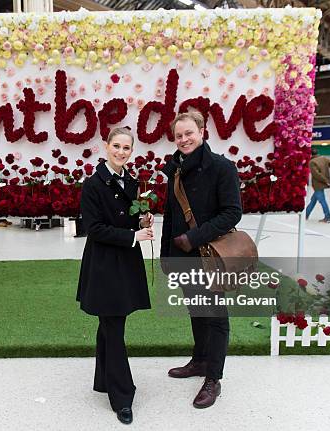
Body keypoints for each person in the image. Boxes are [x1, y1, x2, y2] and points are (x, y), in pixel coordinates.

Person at [160, 112, 242, 409]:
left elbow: (232, 213)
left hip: (212, 256)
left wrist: (194, 238)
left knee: (216, 318)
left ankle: (213, 378)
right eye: (179, 135)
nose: (183, 139)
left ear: (202, 132)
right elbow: (171, 214)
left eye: (188, 133)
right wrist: (167, 257)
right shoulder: (176, 169)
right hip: (183, 255)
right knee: (197, 310)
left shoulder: (222, 167)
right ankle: (199, 361)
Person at [76, 127, 154, 425]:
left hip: (124, 262)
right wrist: (134, 235)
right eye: (117, 146)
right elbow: (94, 229)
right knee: (114, 325)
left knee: (110, 323)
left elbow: (131, 216)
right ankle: (122, 396)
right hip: (105, 265)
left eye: (127, 148)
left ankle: (103, 381)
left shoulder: (133, 183)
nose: (121, 152)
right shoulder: (93, 185)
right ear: (106, 146)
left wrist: (143, 219)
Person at [306, 147, 330, 223]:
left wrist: (325, 181)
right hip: (323, 183)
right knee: (313, 200)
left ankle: (328, 217)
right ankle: (306, 214)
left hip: (318, 184)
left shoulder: (311, 162)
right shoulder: (324, 158)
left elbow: (316, 174)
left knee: (322, 200)